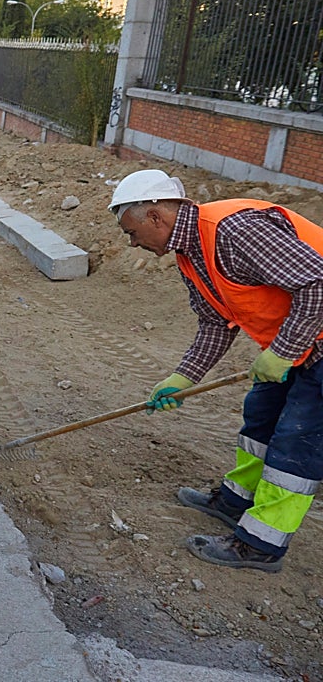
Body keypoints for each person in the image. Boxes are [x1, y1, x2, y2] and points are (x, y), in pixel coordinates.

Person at [110, 168, 323, 573]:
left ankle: (261, 543)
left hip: (309, 342)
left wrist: (284, 351)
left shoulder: (234, 230)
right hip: (296, 342)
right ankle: (234, 501)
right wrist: (182, 377)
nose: (133, 243)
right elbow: (215, 323)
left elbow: (317, 283)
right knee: (260, 420)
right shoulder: (192, 255)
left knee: (297, 444)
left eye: (132, 233)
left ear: (156, 216)